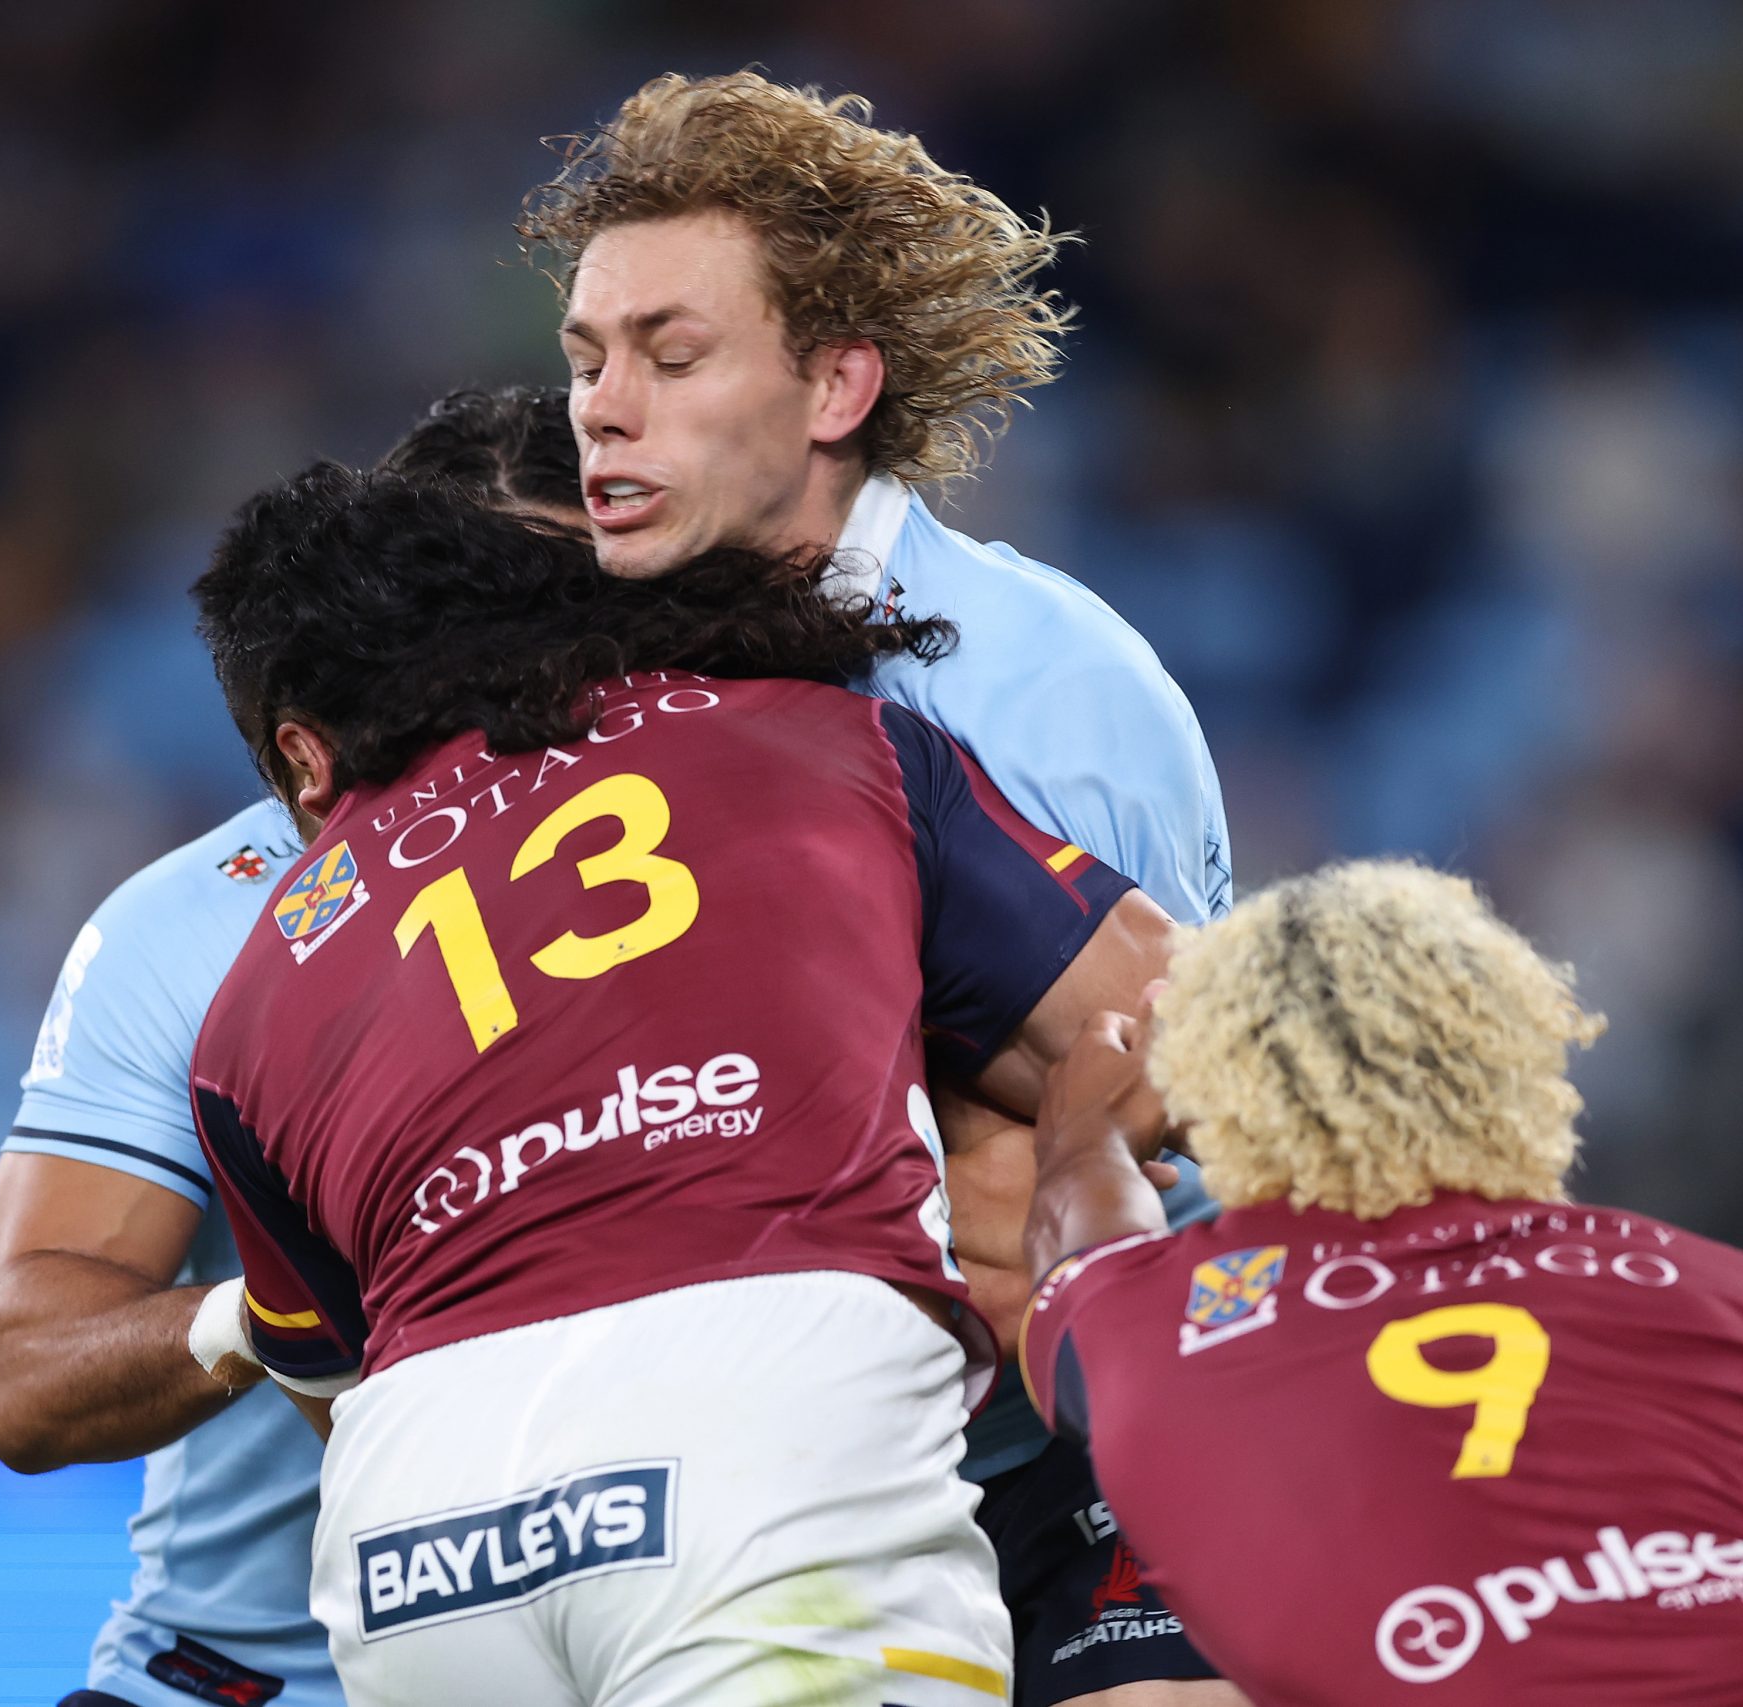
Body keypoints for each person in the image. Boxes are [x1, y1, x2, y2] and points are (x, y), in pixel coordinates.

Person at [183, 463, 1176, 1705]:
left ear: (305, 755)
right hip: (764, 1456)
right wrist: (1055, 1158)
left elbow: (335, 1387)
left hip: (418, 1541)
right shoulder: (817, 734)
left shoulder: (246, 997)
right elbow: (1171, 1029)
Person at [524, 72, 1238, 1706]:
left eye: (671, 355)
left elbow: (1141, 1100)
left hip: (1085, 1469)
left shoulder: (1038, 680)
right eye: (585, 359)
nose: (602, 410)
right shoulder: (590, 704)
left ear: (837, 383)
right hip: (778, 1489)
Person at [0, 390, 578, 1707]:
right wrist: (265, 1312)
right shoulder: (195, 926)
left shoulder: (689, 862)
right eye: (490, 609)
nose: (554, 662)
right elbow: (17, 1370)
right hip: (249, 1678)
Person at [1017, 860, 1743, 1706]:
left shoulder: (1187, 1313)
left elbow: (1077, 1252)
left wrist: (1088, 1131)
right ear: (1516, 1049)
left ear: (1215, 1083)